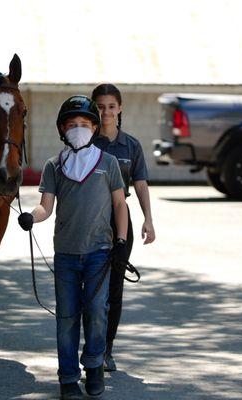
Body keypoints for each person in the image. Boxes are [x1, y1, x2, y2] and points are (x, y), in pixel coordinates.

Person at [17, 96, 128, 399]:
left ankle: (93, 365)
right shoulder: (55, 165)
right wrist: (31, 217)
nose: (78, 129)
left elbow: (120, 205)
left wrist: (120, 241)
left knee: (96, 311)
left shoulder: (109, 163)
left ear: (94, 127)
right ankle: (68, 378)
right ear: (62, 130)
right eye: (71, 125)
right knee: (67, 318)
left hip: (100, 253)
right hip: (65, 255)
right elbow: (45, 207)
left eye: (84, 124)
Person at [91, 83, 156, 372]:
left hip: (120, 221)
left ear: (120, 109)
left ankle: (106, 350)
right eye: (100, 106)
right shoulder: (85, 142)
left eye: (110, 106)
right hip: (89, 220)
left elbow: (140, 184)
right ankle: (90, 348)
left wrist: (148, 219)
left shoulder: (131, 145)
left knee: (114, 290)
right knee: (91, 290)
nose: (105, 112)